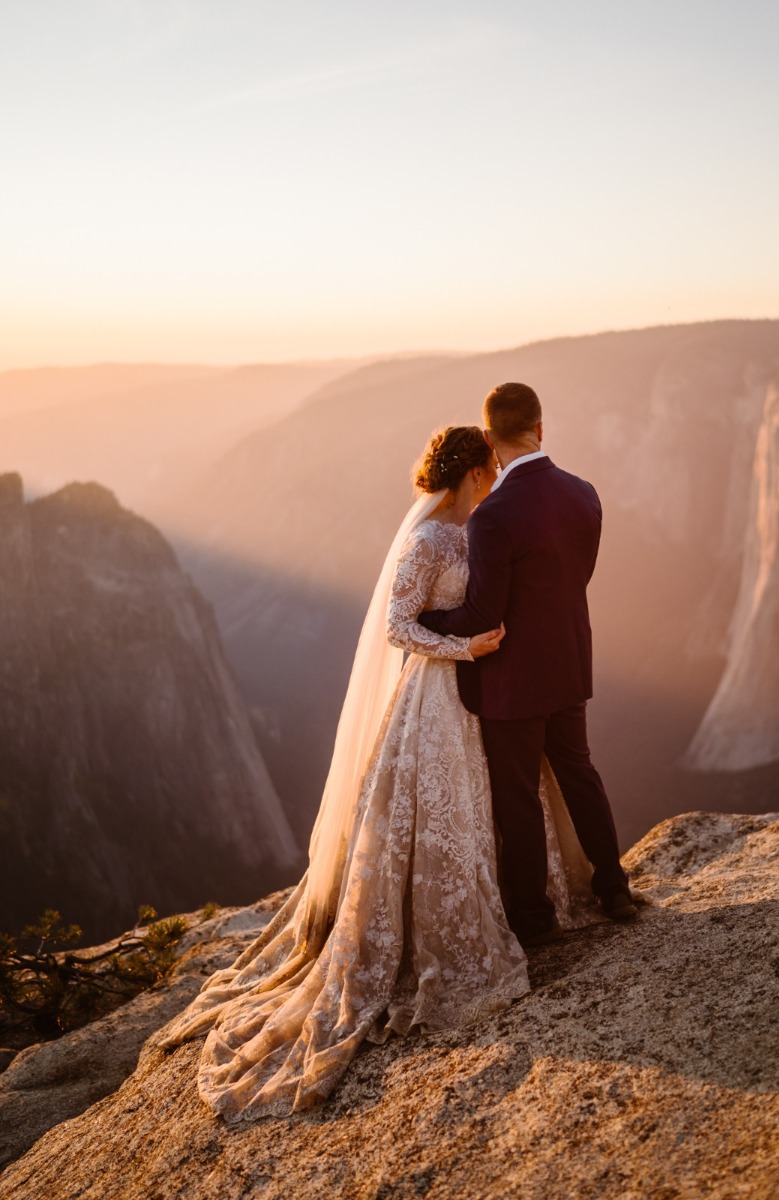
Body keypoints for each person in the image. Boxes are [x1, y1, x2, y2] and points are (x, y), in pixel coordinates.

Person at [158, 425, 596, 1122]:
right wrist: (463, 646)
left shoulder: (479, 528)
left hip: (488, 691)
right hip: (436, 698)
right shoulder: (427, 541)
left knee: (500, 799)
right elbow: (398, 625)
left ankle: (521, 906)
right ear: (477, 472)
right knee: (446, 810)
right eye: (492, 469)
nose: (498, 478)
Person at [419, 384, 635, 944]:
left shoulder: (493, 515)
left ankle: (534, 921)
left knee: (517, 799)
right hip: (568, 663)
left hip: (510, 680)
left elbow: (482, 612)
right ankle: (614, 888)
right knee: (580, 775)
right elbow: (573, 580)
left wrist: (430, 621)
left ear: (489, 441)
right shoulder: (584, 494)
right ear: (541, 429)